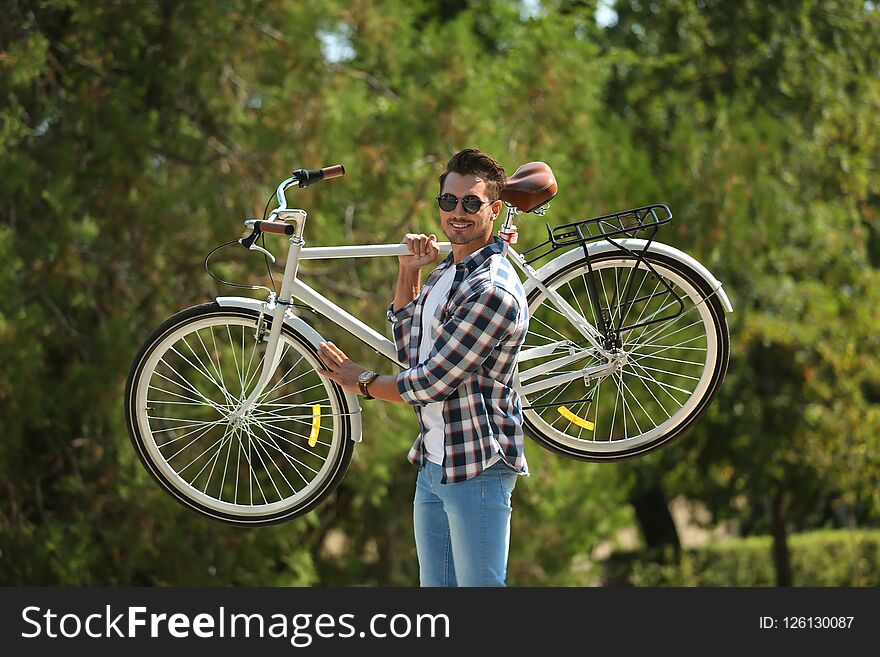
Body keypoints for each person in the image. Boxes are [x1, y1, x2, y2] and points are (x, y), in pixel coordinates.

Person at [316, 148, 529, 587]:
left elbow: (433, 382)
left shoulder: (492, 291)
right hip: (435, 463)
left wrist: (364, 383)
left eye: (471, 203)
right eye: (448, 202)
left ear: (495, 208)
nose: (457, 213)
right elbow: (412, 349)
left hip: (477, 466)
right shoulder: (448, 271)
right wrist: (408, 273)